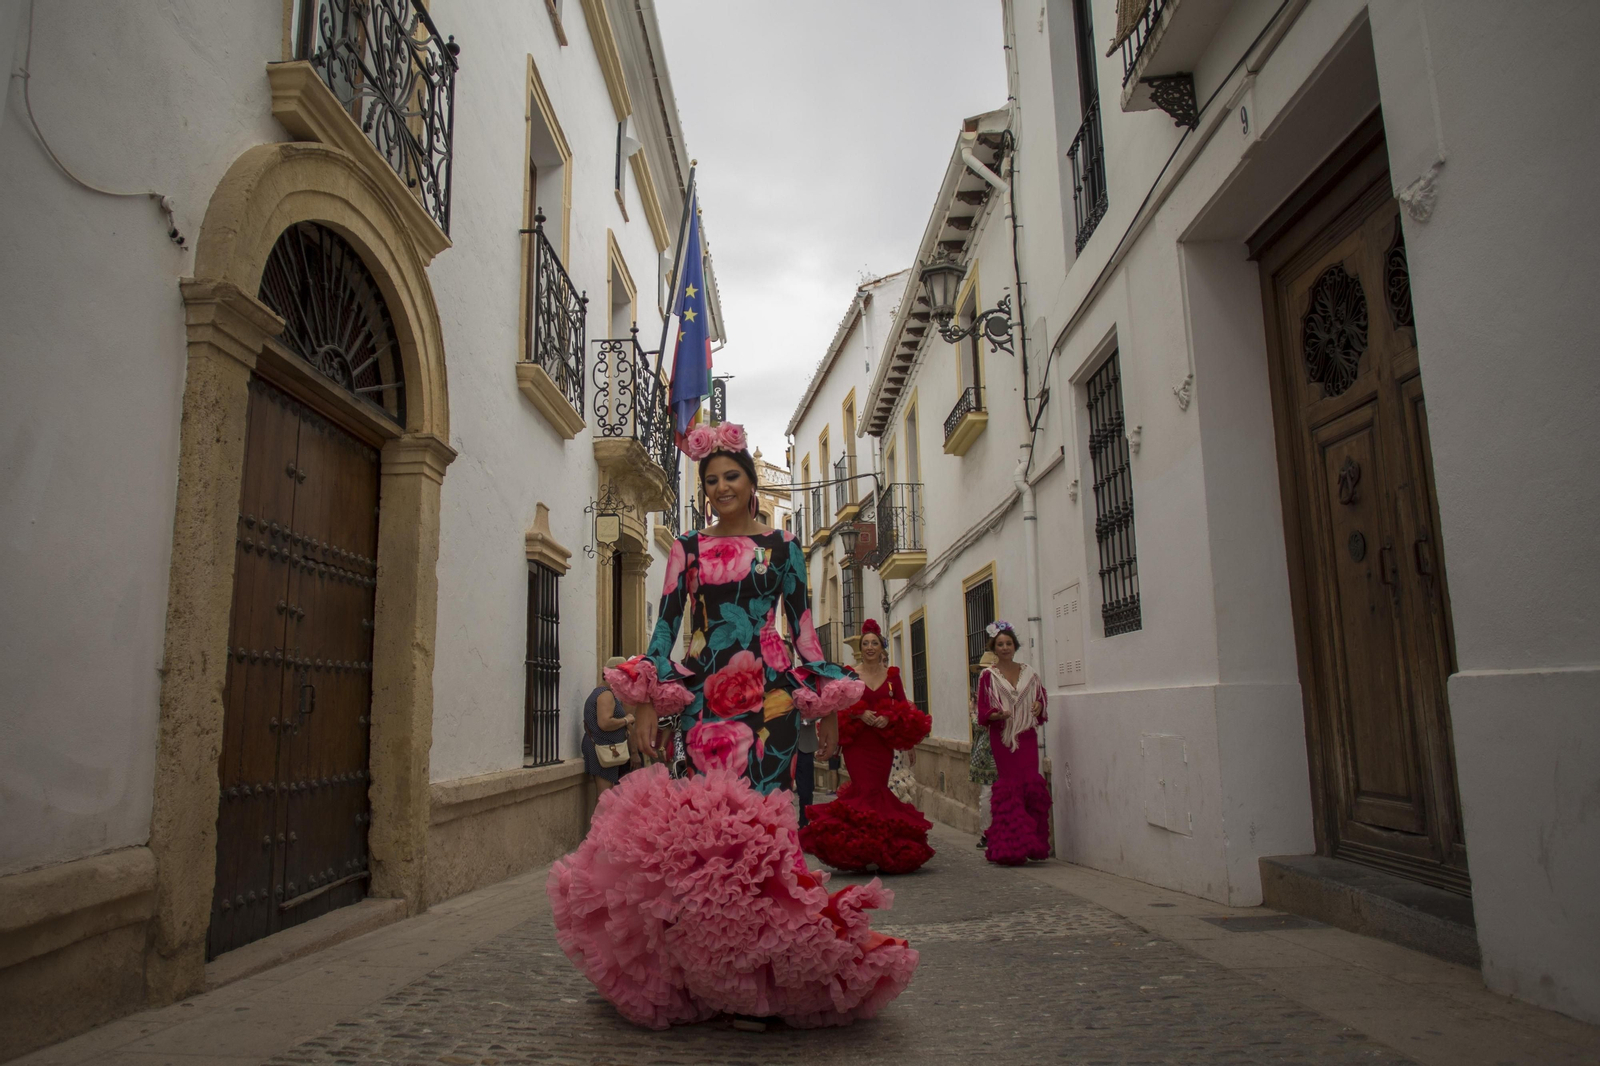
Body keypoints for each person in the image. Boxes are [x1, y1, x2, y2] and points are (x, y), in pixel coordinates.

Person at [548, 421, 918, 1031]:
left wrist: (825, 709)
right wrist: (646, 703)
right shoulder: (686, 550)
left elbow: (802, 633)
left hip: (771, 705)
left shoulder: (782, 548)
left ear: (751, 485)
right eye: (711, 479)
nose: (720, 487)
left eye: (731, 477)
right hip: (703, 705)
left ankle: (760, 981)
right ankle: (706, 976)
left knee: (766, 833)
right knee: (703, 838)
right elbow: (667, 631)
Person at [800, 619, 933, 874]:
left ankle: (877, 849)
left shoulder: (892, 676)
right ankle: (862, 849)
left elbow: (904, 708)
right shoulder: (850, 673)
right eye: (865, 644)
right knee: (864, 788)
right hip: (858, 743)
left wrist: (890, 719)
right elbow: (839, 706)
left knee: (878, 789)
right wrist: (860, 715)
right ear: (861, 649)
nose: (870, 647)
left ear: (882, 648)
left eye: (874, 643)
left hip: (882, 744)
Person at [974, 621, 1050, 865]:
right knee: (1010, 788)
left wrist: (1039, 706)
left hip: (1026, 735)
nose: (1005, 647)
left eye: (1008, 643)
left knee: (1030, 785)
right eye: (1000, 644)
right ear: (994, 648)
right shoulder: (988, 677)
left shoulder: (1030, 673)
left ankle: (1032, 843)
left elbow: (1040, 701)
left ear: (1015, 646)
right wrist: (996, 715)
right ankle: (1010, 846)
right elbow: (983, 710)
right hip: (1003, 738)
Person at [581, 657, 637, 793]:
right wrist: (626, 720)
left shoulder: (602, 692)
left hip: (606, 747)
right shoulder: (605, 694)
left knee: (607, 797)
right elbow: (605, 723)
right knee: (605, 798)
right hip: (603, 748)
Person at [969, 650, 999, 848]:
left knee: (987, 795)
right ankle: (988, 833)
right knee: (987, 794)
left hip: (991, 753)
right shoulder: (981, 694)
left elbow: (979, 723)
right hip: (986, 754)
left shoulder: (985, 696)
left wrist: (973, 713)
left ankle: (988, 833)